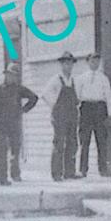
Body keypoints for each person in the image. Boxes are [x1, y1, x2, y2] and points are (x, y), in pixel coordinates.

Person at [41, 51, 81, 181]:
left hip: (72, 115)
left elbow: (77, 98)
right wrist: (55, 106)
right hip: (60, 116)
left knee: (72, 142)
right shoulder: (56, 79)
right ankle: (56, 173)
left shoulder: (73, 80)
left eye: (70, 63)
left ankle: (69, 172)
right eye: (66, 63)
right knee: (59, 143)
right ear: (61, 65)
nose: (68, 66)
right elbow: (45, 94)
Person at [75, 51, 111, 178]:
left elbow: (108, 96)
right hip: (86, 108)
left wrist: (110, 114)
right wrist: (77, 112)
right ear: (87, 62)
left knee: (101, 141)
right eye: (92, 61)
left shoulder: (103, 78)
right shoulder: (81, 78)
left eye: (97, 61)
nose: (95, 63)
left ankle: (103, 169)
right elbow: (76, 96)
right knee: (84, 140)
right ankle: (83, 169)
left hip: (100, 109)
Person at [0, 61, 38, 182]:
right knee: (1, 148)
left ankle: (15, 174)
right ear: (6, 75)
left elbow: (34, 98)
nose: (12, 77)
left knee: (15, 149)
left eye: (14, 75)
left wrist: (24, 110)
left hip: (15, 122)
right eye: (9, 74)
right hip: (1, 122)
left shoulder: (19, 89)